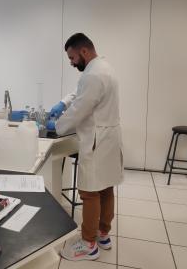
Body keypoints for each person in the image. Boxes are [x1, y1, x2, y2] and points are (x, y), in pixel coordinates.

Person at [48, 33, 123, 261]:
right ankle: (103, 233)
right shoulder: (104, 67)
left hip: (96, 140)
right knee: (106, 187)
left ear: (83, 52)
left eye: (71, 57)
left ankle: (89, 243)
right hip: (109, 137)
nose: (71, 62)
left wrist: (57, 126)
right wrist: (64, 101)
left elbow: (80, 108)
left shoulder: (92, 76)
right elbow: (81, 94)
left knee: (90, 192)